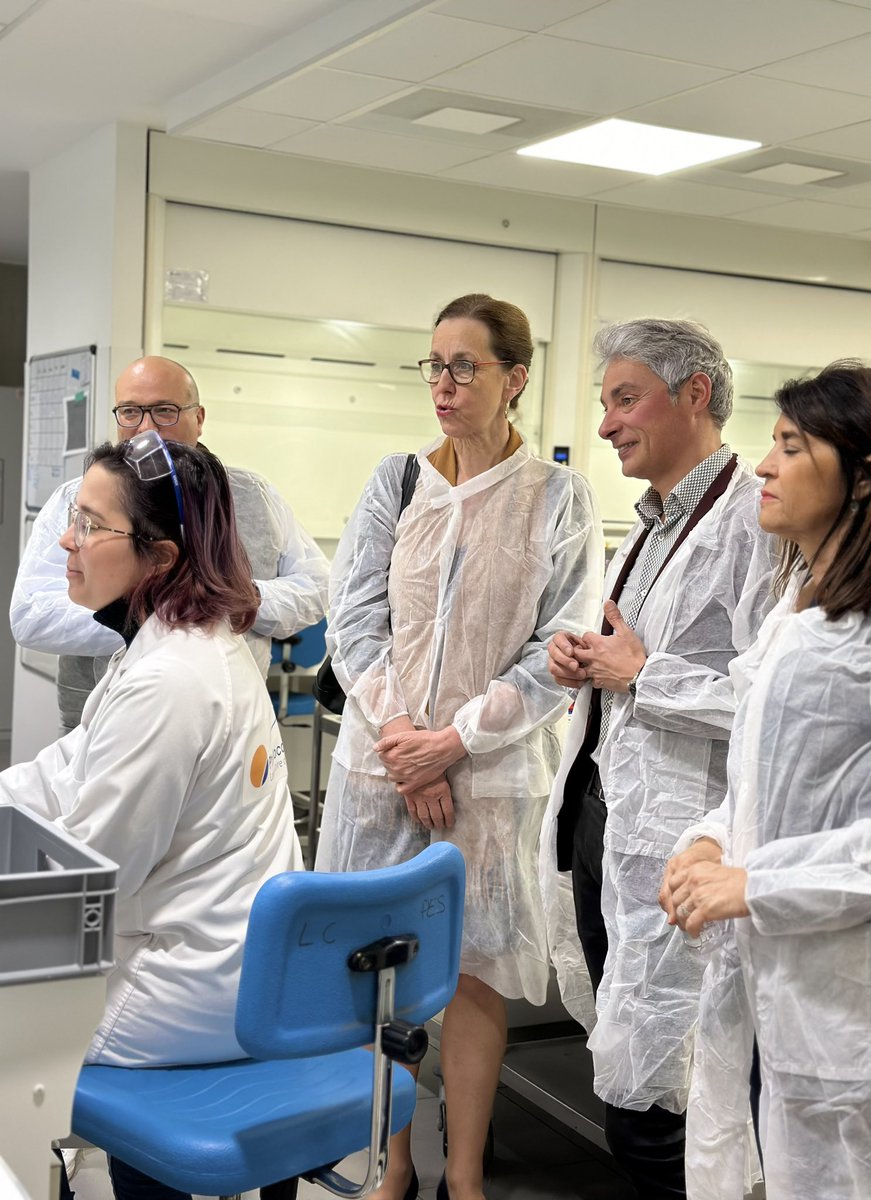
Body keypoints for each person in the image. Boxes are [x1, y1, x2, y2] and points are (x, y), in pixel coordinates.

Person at [315, 294, 602, 1200]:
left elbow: (560, 647)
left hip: (490, 773)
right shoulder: (396, 481)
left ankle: (465, 1175)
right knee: (381, 974)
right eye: (433, 365)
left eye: (465, 366)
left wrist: (453, 743)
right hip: (381, 768)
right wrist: (404, 736)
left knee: (476, 972)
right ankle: (394, 1163)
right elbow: (353, 619)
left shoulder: (558, 497)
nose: (444, 384)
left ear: (515, 379)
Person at [0, 431, 304, 1200]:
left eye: (93, 526)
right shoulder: (179, 645)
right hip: (232, 966)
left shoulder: (170, 679)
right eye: (76, 515)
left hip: (184, 988)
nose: (68, 540)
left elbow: (90, 874)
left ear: (160, 558)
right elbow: (62, 772)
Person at [539, 318, 776, 1199]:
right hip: (611, 825)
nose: (606, 425)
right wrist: (589, 665)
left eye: (625, 399)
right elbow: (634, 660)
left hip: (686, 848)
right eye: (606, 404)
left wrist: (645, 675)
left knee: (668, 1107)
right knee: (629, 1069)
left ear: (696, 395)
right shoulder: (650, 524)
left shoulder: (755, 525)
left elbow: (771, 701)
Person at [661, 362, 871, 1200]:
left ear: (866, 475)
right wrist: (710, 838)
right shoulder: (799, 601)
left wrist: (751, 883)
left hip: (857, 998)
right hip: (775, 977)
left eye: (792, 446)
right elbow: (766, 776)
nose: (762, 466)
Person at [10, 355, 330, 731]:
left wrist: (239, 600)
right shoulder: (78, 499)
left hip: (228, 721)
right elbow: (31, 615)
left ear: (199, 417)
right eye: (130, 411)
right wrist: (160, 613)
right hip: (101, 725)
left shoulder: (252, 497)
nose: (147, 428)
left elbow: (317, 587)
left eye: (165, 410)